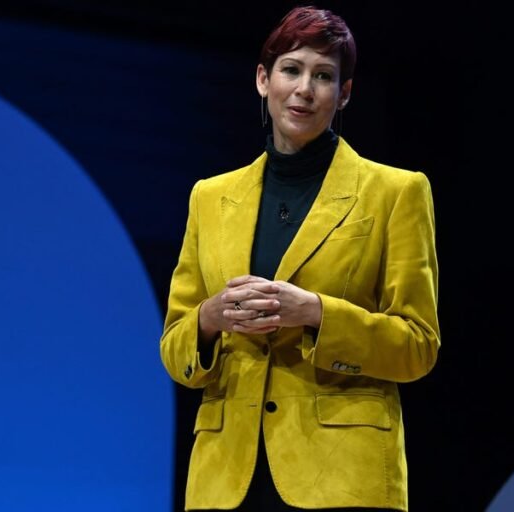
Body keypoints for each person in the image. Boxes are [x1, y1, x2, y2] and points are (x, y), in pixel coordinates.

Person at [159, 6, 439, 511]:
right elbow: (175, 347)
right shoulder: (210, 197)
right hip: (227, 478)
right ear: (263, 80)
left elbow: (417, 346)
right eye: (291, 70)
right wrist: (209, 318)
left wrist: (316, 312)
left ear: (344, 93)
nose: (305, 89)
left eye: (324, 76)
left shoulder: (396, 192)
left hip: (341, 477)